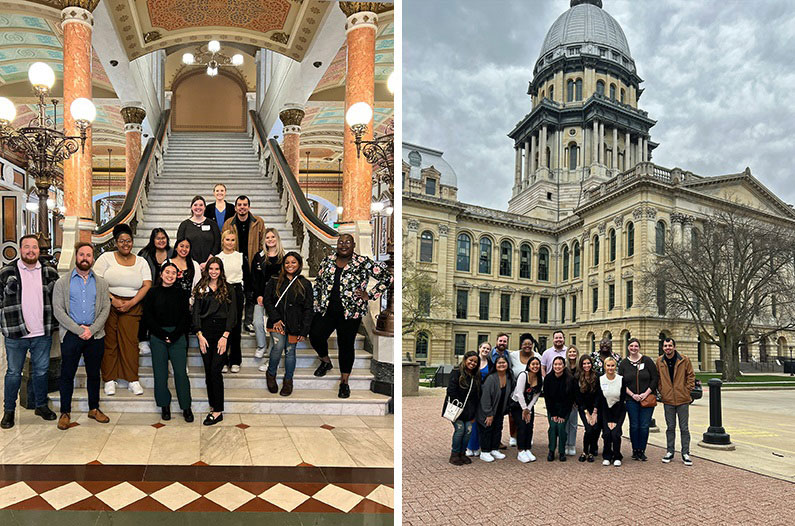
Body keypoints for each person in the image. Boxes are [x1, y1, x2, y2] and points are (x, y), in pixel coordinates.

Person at [310, 234, 392, 398]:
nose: (344, 245)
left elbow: (387, 277)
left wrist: (370, 295)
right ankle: (326, 362)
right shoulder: (327, 261)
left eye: (347, 242)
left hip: (351, 312)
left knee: (345, 346)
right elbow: (318, 283)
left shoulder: (362, 262)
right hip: (327, 310)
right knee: (315, 336)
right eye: (341, 242)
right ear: (337, 245)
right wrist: (315, 303)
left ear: (353, 245)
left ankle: (344, 382)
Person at [0, 235, 60, 429]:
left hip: (42, 332)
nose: (31, 251)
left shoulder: (49, 271)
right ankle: (9, 411)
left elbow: (58, 299)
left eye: (34, 247)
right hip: (16, 333)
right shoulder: (7, 271)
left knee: (41, 372)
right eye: (27, 247)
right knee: (13, 373)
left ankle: (41, 405)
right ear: (20, 249)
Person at [52, 242, 111, 430]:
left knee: (94, 374)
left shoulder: (101, 283)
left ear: (93, 258)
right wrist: (79, 330)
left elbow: (105, 309)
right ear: (76, 257)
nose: (85, 258)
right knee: (67, 374)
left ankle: (94, 409)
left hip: (95, 335)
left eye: (88, 255)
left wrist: (91, 330)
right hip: (71, 334)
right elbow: (58, 310)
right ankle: (65, 412)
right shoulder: (63, 282)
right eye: (81, 254)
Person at [94, 224, 152, 397]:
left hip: (133, 306)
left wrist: (131, 302)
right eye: (121, 241)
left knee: (130, 343)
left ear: (132, 242)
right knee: (110, 341)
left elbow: (147, 284)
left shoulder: (141, 261)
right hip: (108, 304)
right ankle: (109, 379)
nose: (125, 244)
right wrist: (113, 299)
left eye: (128, 241)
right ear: (116, 243)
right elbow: (98, 280)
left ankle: (132, 379)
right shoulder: (106, 258)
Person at [142, 262, 194, 423]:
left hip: (177, 337)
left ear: (176, 276)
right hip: (158, 337)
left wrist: (174, 334)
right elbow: (147, 317)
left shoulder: (182, 293)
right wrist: (162, 334)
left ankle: (186, 407)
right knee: (160, 373)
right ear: (161, 274)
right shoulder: (152, 293)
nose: (170, 275)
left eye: (173, 273)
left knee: (180, 373)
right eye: (167, 272)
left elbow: (186, 317)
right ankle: (164, 406)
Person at [192, 257, 237, 426]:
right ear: (207, 270)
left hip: (222, 333)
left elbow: (232, 314)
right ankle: (213, 406)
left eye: (217, 269)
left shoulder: (228, 288)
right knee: (208, 371)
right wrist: (199, 334)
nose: (213, 272)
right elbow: (195, 312)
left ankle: (218, 410)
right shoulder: (200, 288)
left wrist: (225, 336)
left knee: (215, 370)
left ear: (221, 270)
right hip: (204, 333)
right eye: (211, 268)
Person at [262, 252, 313, 396]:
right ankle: (271, 374)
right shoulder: (274, 280)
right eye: (287, 263)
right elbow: (268, 301)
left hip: (295, 325)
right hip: (276, 323)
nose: (290, 265)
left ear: (299, 264)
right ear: (283, 265)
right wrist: (276, 318)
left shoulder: (305, 284)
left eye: (293, 262)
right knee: (278, 347)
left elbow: (308, 309)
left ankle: (288, 381)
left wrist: (304, 331)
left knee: (290, 352)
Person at [222, 195, 266, 332]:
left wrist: (260, 259)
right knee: (234, 294)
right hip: (235, 261)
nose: (242, 207)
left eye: (245, 204)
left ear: (249, 207)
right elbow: (224, 241)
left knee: (250, 293)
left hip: (252, 262)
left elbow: (263, 242)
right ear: (235, 208)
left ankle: (248, 321)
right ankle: (233, 321)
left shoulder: (258, 222)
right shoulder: (229, 222)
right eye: (239, 205)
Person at [619, 337, 659, 461]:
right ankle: (635, 450)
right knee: (634, 425)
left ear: (639, 348)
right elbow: (620, 381)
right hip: (631, 399)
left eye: (636, 346)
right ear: (628, 347)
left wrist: (645, 393)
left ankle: (642, 450)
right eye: (631, 346)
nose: (633, 348)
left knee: (644, 425)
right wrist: (633, 395)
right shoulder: (624, 363)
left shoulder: (647, 361)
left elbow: (655, 378)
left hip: (647, 399)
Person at [657, 337, 695, 466]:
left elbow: (691, 376)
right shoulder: (659, 361)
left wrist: (687, 390)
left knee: (684, 428)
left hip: (682, 399)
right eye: (665, 346)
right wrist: (662, 391)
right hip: (668, 399)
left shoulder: (684, 360)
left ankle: (685, 452)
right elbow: (657, 379)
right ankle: (670, 451)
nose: (668, 348)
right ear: (663, 347)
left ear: (674, 347)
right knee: (670, 427)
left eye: (670, 345)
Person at [214, 229, 245, 373]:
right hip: (222, 290)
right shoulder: (218, 258)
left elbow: (247, 276)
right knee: (222, 326)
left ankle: (235, 360)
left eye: (233, 240)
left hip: (237, 290)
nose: (230, 243)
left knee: (236, 326)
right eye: (227, 240)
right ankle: (223, 359)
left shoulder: (240, 256)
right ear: (222, 241)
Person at [136, 228, 171, 355]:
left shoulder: (172, 253)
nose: (161, 241)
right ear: (153, 240)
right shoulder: (144, 253)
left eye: (163, 238)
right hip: (148, 291)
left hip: (166, 290)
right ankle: (143, 339)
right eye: (158, 238)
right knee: (146, 312)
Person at [444, 350, 481, 465]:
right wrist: (459, 406)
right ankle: (454, 454)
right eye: (470, 360)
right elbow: (451, 390)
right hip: (456, 409)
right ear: (465, 360)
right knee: (460, 430)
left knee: (468, 431)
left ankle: (462, 453)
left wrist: (474, 413)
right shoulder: (456, 372)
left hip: (470, 411)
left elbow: (477, 396)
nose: (473, 363)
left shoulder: (476, 376)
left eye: (475, 362)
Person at [252, 228, 285, 357]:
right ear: (264, 240)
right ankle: (261, 346)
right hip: (261, 295)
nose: (270, 240)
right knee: (257, 322)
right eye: (267, 237)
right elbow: (255, 279)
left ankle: (272, 352)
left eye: (272, 237)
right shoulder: (258, 256)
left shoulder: (284, 257)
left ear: (277, 239)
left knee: (273, 325)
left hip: (277, 297)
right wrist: (258, 295)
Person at [475, 355, 513, 462]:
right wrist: (489, 414)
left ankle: (494, 449)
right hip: (487, 410)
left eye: (503, 362)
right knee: (487, 429)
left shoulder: (509, 377)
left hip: (499, 410)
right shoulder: (491, 378)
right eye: (499, 363)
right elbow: (485, 398)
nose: (501, 365)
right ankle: (485, 451)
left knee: (497, 429)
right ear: (495, 365)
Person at [507, 332, 540, 447]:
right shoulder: (513, 355)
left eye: (529, 344)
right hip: (515, 389)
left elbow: (540, 373)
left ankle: (526, 436)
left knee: (528, 415)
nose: (527, 346)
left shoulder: (537, 356)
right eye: (525, 344)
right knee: (514, 416)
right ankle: (513, 435)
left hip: (530, 391)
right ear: (521, 345)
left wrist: (527, 408)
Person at [543, 355, 576, 462]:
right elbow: (547, 398)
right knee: (553, 427)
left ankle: (561, 451)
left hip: (564, 409)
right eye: (555, 364)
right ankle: (551, 450)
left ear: (564, 365)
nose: (557, 366)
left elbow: (570, 399)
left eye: (560, 364)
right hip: (552, 409)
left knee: (561, 428)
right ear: (552, 365)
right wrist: (553, 414)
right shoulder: (548, 378)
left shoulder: (570, 379)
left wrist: (561, 415)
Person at [510, 356, 542, 463]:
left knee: (530, 425)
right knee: (522, 426)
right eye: (533, 364)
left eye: (537, 364)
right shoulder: (524, 375)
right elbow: (519, 393)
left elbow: (536, 396)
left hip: (528, 406)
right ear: (528, 366)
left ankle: (527, 449)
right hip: (517, 405)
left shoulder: (539, 378)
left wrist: (528, 409)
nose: (535, 366)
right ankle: (520, 451)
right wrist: (524, 409)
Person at [176, 196, 221, 270]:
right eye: (195, 205)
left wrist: (208, 262)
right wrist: (193, 263)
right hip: (190, 265)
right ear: (191, 207)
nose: (198, 207)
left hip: (210, 265)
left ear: (205, 207)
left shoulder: (212, 224)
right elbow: (180, 245)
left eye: (201, 205)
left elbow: (217, 244)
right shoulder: (184, 225)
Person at [465, 341, 492, 457]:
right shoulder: (474, 361)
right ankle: (470, 446)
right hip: (473, 395)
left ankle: (478, 446)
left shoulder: (490, 363)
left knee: (481, 421)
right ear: (479, 348)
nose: (485, 350)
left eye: (488, 349)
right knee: (472, 420)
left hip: (484, 395)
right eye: (484, 348)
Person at [598, 356, 626, 467]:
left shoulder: (621, 379)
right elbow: (601, 400)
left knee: (615, 434)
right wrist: (608, 419)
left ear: (616, 366)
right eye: (608, 365)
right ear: (604, 367)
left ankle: (617, 456)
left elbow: (622, 399)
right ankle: (607, 456)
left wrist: (614, 420)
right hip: (605, 411)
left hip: (619, 411)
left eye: (612, 365)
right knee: (606, 433)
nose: (610, 368)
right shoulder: (601, 380)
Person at [576, 354, 601, 463]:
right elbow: (578, 397)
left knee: (595, 428)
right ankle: (585, 451)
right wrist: (586, 413)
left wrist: (595, 411)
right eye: (584, 363)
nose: (587, 365)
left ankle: (592, 450)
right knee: (589, 428)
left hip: (595, 407)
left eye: (588, 363)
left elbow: (599, 395)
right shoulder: (577, 377)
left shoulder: (597, 376)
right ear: (581, 365)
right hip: (583, 408)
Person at [564, 345, 580, 456]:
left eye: (574, 352)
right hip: (566, 398)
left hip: (576, 400)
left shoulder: (580, 367)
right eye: (570, 352)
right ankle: (565, 444)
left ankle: (572, 444)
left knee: (573, 423)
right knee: (565, 423)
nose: (572, 354)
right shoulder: (564, 366)